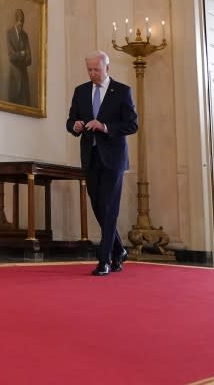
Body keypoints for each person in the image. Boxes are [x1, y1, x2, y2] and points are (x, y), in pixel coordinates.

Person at [66, 50, 138, 276]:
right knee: (98, 206)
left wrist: (105, 127)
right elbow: (70, 120)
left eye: (96, 69)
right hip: (91, 157)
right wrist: (75, 126)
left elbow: (132, 125)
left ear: (107, 68)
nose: (92, 73)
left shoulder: (122, 91)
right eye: (89, 69)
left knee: (110, 207)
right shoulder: (81, 91)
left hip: (114, 158)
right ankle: (119, 250)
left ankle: (104, 259)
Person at [7, 8, 32, 105]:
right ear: (15, 21)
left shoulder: (25, 36)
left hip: (24, 79)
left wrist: (18, 56)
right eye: (19, 22)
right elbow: (11, 56)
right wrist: (21, 54)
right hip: (14, 77)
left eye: (22, 22)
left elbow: (29, 59)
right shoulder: (9, 33)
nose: (21, 24)